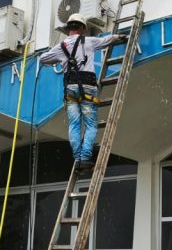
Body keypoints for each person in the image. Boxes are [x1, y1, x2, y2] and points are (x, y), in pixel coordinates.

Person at [39, 13, 127, 170]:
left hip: (70, 90)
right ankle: (85, 157)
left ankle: (78, 158)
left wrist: (58, 59)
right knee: (91, 124)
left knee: (74, 124)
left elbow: (43, 59)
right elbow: (106, 40)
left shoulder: (61, 47)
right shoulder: (89, 42)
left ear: (68, 29)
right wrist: (120, 37)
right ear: (83, 28)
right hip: (88, 87)